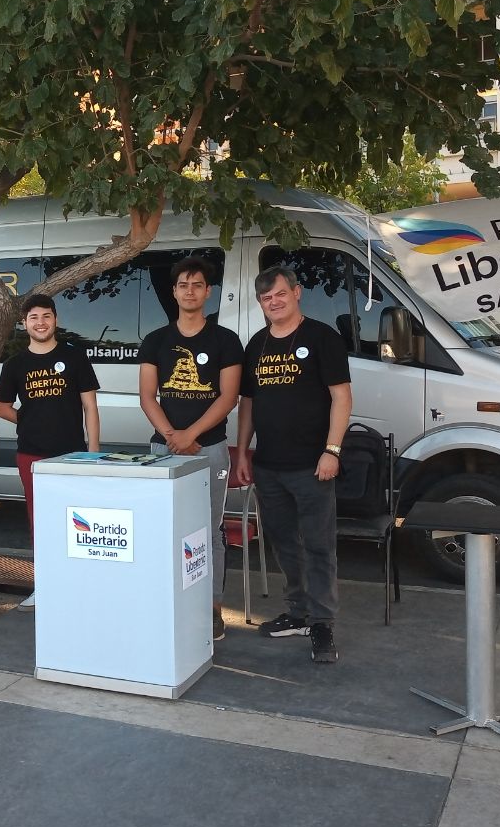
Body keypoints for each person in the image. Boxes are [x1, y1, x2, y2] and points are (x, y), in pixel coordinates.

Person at [235, 265, 352, 663]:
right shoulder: (257, 344)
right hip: (269, 466)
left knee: (319, 546)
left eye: (281, 294)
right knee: (284, 543)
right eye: (267, 298)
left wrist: (332, 450)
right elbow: (248, 403)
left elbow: (341, 397)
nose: (275, 302)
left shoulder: (322, 337)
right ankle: (299, 612)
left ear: (297, 292)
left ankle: (322, 624)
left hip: (313, 465)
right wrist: (243, 451)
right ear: (260, 303)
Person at [139, 256, 242, 641]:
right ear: (174, 292)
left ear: (208, 292)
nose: (190, 291)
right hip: (162, 449)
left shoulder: (225, 340)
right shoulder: (156, 340)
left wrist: (191, 435)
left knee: (209, 530)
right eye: (183, 285)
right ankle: (163, 601)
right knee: (161, 527)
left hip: (210, 448)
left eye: (197, 285)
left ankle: (212, 608)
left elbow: (228, 397)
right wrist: (171, 435)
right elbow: (147, 396)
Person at [0, 294, 100, 608]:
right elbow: (2, 408)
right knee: (39, 523)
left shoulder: (75, 357)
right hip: (31, 455)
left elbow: (90, 408)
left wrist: (93, 452)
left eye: (46, 316)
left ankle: (80, 585)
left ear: (55, 320)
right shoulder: (15, 364)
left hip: (72, 456)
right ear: (24, 323)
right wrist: (30, 420)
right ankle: (45, 587)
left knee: (77, 522)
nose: (40, 323)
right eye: (34, 317)